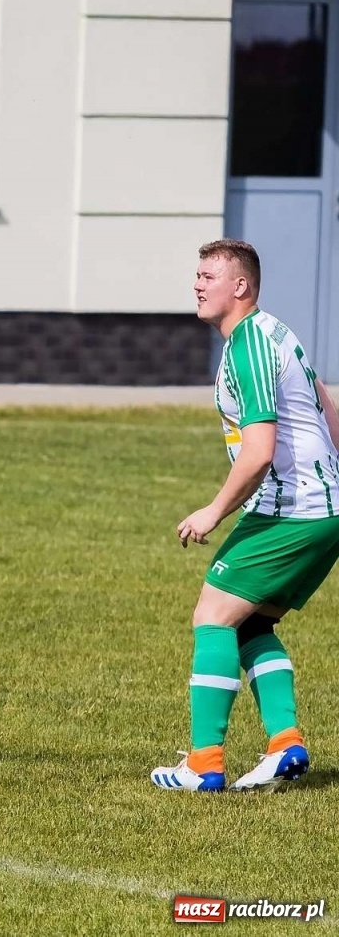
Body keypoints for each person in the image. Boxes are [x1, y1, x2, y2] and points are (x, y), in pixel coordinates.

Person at [152, 239, 339, 792]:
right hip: (322, 508)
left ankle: (203, 764)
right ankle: (285, 745)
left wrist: (212, 511)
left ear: (241, 287)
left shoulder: (248, 347)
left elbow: (259, 452)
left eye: (209, 275)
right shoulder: (275, 332)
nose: (198, 283)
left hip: (292, 510)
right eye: (197, 274)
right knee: (254, 622)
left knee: (212, 616)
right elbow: (326, 408)